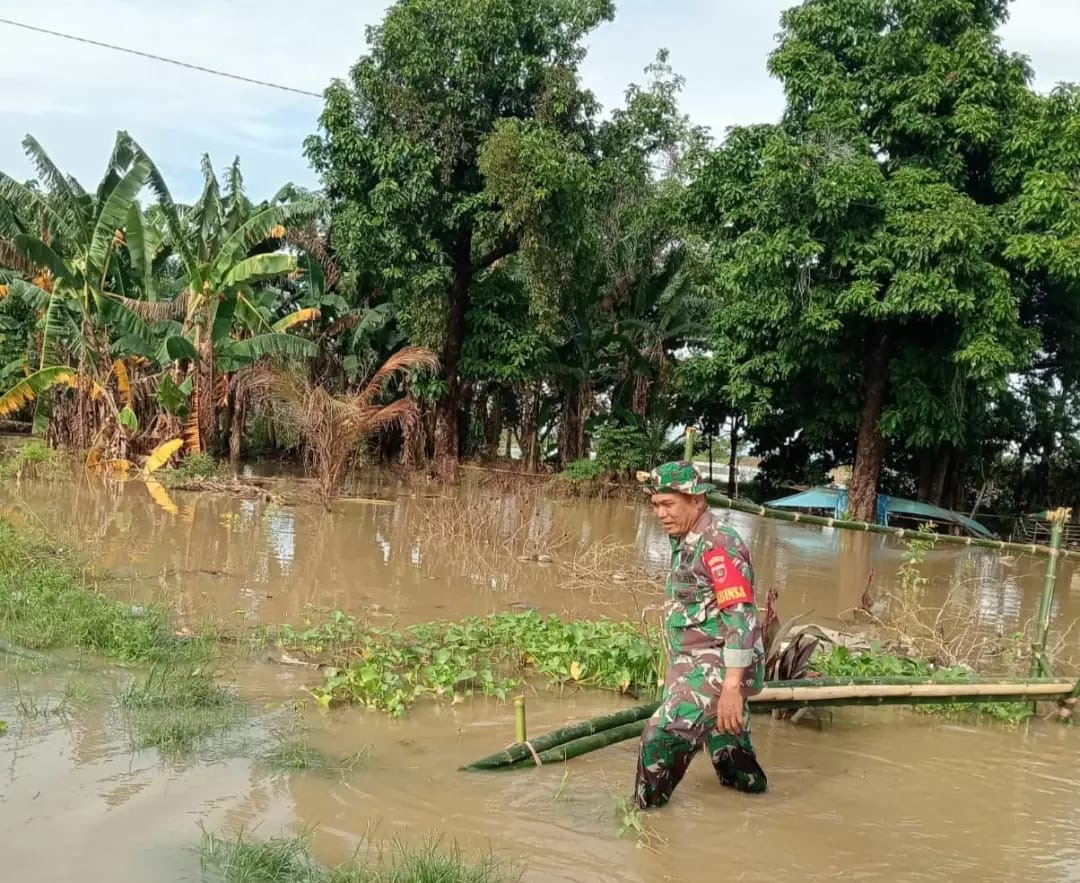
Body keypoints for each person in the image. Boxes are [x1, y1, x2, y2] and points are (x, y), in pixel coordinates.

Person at [633, 460, 767, 809]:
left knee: (661, 735)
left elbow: (740, 617)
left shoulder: (718, 544)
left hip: (717, 666)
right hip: (692, 662)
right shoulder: (686, 538)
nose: (661, 514)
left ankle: (644, 820)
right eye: (656, 506)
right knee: (730, 752)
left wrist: (732, 688)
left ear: (696, 500)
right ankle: (757, 812)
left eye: (668, 504)